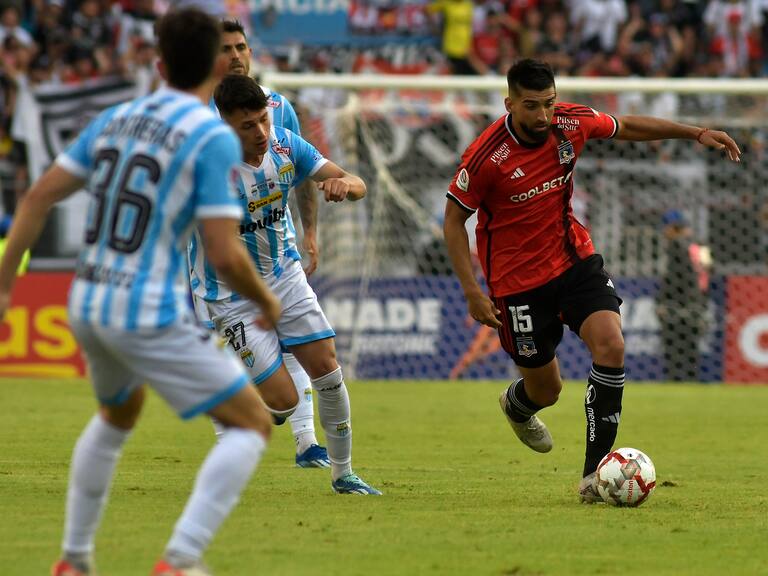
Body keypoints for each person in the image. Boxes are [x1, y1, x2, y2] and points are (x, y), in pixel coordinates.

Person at [0, 9, 282, 576]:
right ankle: (180, 559)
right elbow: (225, 254)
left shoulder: (117, 116)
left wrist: (6, 286)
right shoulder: (210, 135)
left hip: (86, 300)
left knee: (116, 413)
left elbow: (34, 200)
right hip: (144, 308)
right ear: (212, 66)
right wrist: (267, 301)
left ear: (158, 64)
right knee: (252, 423)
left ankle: (74, 559)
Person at [443, 58, 740, 503]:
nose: (542, 115)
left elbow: (627, 127)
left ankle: (592, 477)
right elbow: (453, 221)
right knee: (547, 390)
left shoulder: (570, 123)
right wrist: (471, 290)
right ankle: (518, 405)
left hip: (573, 261)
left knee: (612, 345)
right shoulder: (487, 156)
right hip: (516, 284)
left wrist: (694, 132)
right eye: (530, 106)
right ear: (509, 103)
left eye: (548, 103)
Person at [190, 73, 381, 495]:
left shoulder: (284, 144)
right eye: (247, 126)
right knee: (283, 402)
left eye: (263, 120)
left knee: (328, 369)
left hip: (284, 274)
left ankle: (343, 474)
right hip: (230, 295)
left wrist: (343, 184)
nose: (260, 132)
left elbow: (358, 184)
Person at [190, 19, 331, 468]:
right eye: (226, 49)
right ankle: (227, 428)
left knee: (292, 342)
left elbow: (302, 167)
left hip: (275, 249)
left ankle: (308, 441)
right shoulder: (195, 117)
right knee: (227, 342)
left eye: (241, 47)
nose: (235, 56)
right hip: (214, 259)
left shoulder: (279, 106)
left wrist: (309, 229)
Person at [656, 209, 712, 382]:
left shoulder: (676, 245)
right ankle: (691, 382)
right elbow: (707, 272)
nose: (664, 232)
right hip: (698, 302)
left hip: (678, 304)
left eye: (666, 227)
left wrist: (663, 302)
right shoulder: (700, 246)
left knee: (674, 351)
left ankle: (676, 382)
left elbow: (675, 277)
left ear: (674, 228)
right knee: (691, 348)